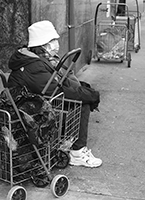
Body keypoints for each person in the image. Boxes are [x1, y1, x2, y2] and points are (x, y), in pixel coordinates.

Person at [8, 20, 102, 168]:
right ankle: (77, 152)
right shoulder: (34, 66)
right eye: (52, 40)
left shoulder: (40, 59)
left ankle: (68, 144)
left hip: (37, 104)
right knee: (81, 104)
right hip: (28, 113)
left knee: (83, 94)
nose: (56, 44)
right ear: (42, 44)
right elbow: (57, 91)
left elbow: (61, 82)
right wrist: (90, 96)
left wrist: (85, 90)